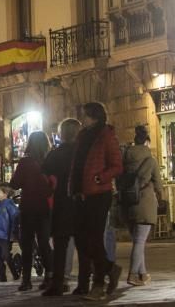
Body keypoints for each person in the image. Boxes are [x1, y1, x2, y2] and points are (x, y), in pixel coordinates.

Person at [69, 101, 123, 301]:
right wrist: (73, 188)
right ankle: (109, 268)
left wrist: (100, 178)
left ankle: (98, 284)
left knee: (94, 237)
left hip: (99, 194)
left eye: (84, 114)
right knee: (81, 239)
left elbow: (117, 165)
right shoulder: (82, 136)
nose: (82, 118)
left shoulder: (106, 136)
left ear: (94, 116)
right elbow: (77, 165)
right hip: (81, 194)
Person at [41, 118, 84, 296]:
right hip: (80, 202)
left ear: (61, 134)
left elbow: (45, 177)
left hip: (61, 202)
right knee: (83, 245)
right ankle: (83, 283)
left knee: (60, 245)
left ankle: (58, 283)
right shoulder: (82, 152)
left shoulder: (55, 154)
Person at [10, 130, 52, 291]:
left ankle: (26, 280)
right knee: (44, 243)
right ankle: (49, 276)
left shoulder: (25, 162)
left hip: (28, 207)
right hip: (44, 207)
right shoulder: (49, 161)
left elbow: (15, 183)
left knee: (27, 245)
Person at [122, 125, 163, 287]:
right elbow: (159, 185)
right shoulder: (150, 160)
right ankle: (132, 275)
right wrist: (162, 199)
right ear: (146, 141)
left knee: (138, 240)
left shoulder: (125, 158)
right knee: (139, 241)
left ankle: (143, 274)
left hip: (127, 204)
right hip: (144, 203)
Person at [0, 183, 19, 283]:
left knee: (6, 256)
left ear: (5, 194)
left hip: (5, 236)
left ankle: (15, 274)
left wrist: (13, 233)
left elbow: (15, 218)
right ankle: (2, 277)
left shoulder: (9, 205)